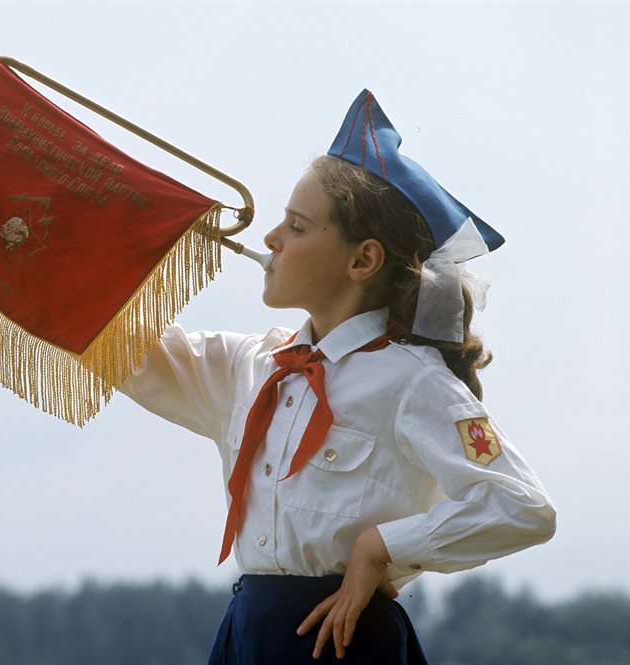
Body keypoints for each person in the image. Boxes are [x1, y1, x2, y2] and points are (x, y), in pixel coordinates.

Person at [117, 89, 556, 664]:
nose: (271, 238)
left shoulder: (412, 381)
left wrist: (380, 550)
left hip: (345, 642)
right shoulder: (253, 364)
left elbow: (522, 507)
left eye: (297, 227)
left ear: (362, 261)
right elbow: (118, 343)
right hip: (248, 634)